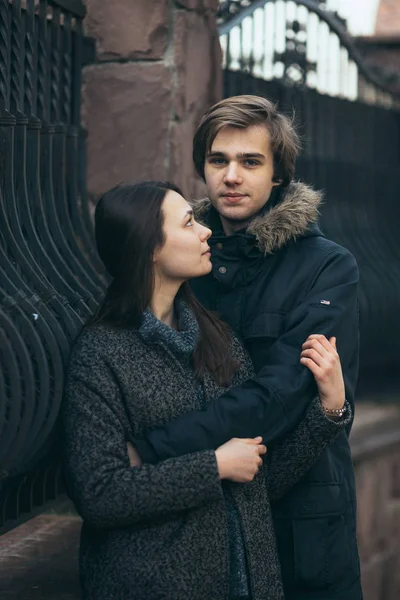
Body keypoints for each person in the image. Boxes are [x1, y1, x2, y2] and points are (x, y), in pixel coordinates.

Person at [62, 180, 351, 600]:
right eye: (188, 223)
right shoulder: (101, 354)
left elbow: (256, 478)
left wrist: (329, 410)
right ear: (151, 247)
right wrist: (212, 466)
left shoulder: (217, 339)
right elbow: (99, 494)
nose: (205, 232)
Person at [128, 96, 363, 600]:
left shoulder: (328, 267)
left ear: (278, 174)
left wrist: (151, 451)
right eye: (219, 160)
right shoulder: (187, 261)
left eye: (250, 161)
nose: (231, 176)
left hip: (300, 521)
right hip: (201, 518)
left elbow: (279, 395)